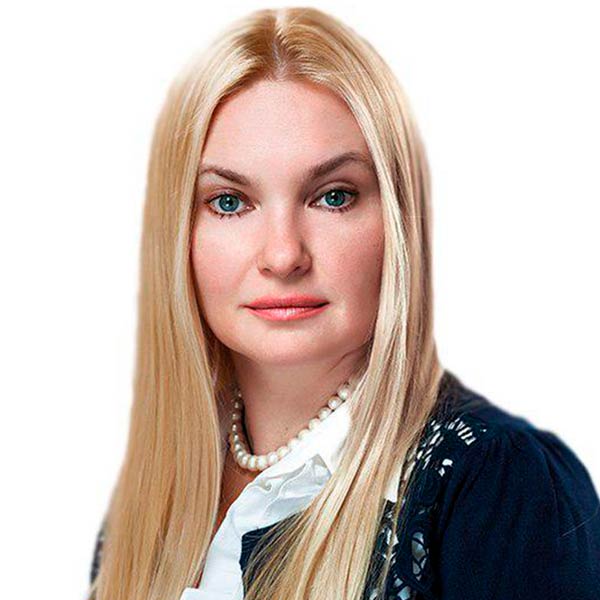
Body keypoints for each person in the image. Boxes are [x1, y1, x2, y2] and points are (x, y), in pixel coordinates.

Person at [85, 7, 600, 600]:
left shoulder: (500, 485)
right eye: (229, 202)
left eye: (333, 196)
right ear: (179, 234)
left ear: (397, 221)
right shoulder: (147, 505)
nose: (283, 255)